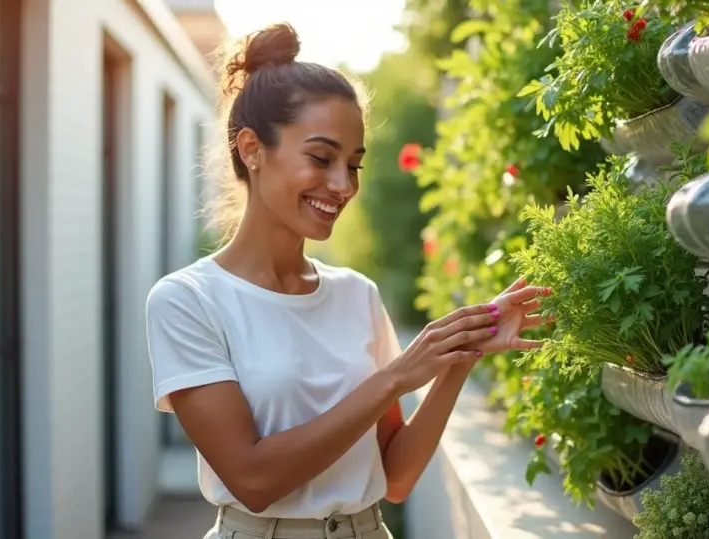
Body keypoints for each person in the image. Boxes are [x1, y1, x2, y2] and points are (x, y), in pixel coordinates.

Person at [146, 22, 550, 539]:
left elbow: (396, 477)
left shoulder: (357, 294)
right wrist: (395, 378)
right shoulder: (188, 301)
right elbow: (252, 479)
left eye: (353, 165)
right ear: (251, 148)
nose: (342, 185)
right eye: (321, 158)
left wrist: (459, 356)